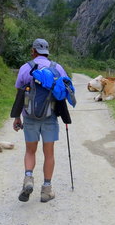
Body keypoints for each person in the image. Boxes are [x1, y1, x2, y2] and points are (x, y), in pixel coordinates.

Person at [11, 38, 71, 203]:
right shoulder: (57, 68)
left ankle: (28, 178)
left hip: (29, 116)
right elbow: (64, 92)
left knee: (30, 151)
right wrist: (65, 115)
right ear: (47, 51)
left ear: (33, 51)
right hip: (50, 117)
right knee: (49, 153)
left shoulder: (25, 68)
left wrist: (17, 117)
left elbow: (19, 96)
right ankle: (46, 190)